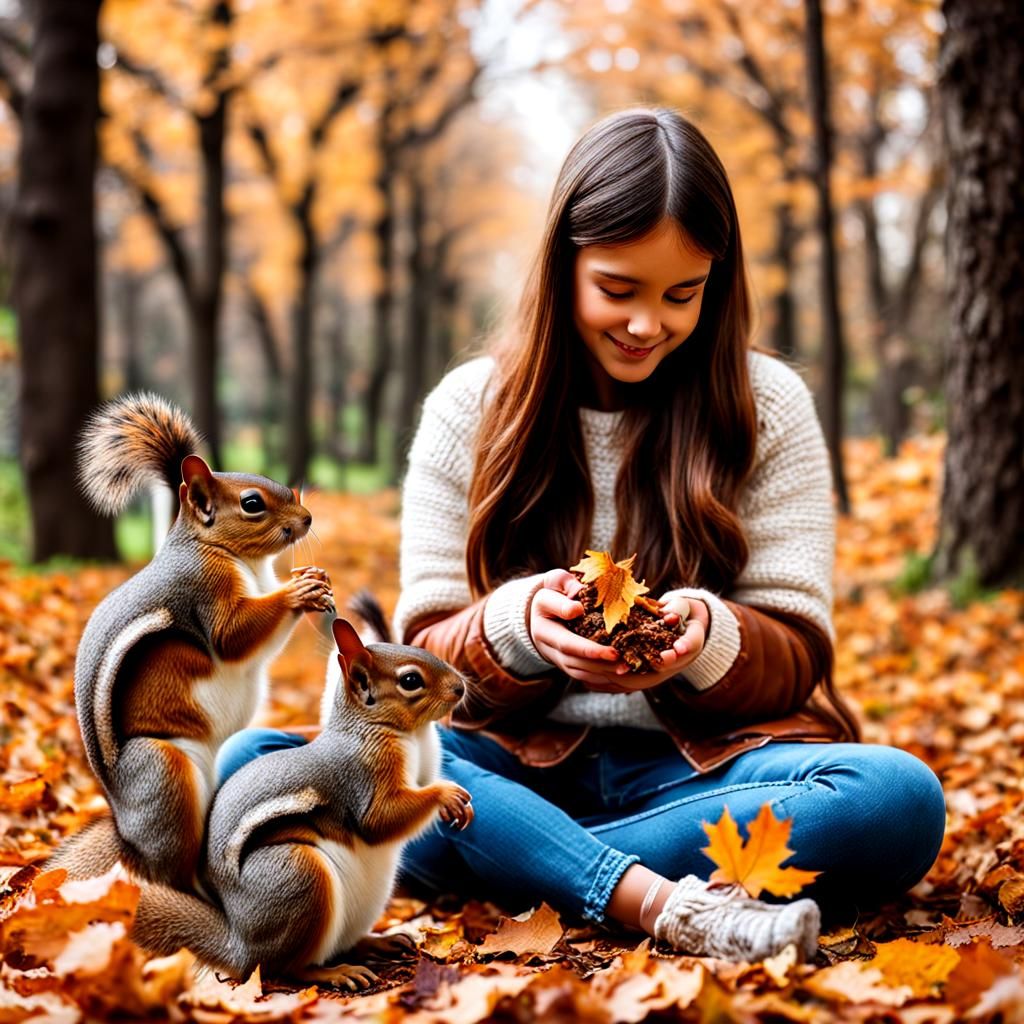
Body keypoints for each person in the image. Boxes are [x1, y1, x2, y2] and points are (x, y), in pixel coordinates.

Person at [219, 108, 945, 960]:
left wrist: (708, 640)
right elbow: (417, 653)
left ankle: (535, 855)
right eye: (618, 288)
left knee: (896, 797)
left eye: (682, 294)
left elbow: (799, 649)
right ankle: (654, 898)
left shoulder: (766, 405)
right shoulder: (469, 408)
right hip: (496, 760)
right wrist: (518, 627)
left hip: (702, 772)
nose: (648, 325)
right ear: (562, 267)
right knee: (250, 764)